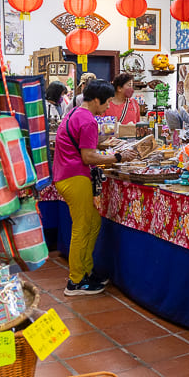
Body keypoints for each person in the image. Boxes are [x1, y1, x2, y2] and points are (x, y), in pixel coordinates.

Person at [53, 79, 137, 296]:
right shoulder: (89, 120)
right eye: (107, 102)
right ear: (97, 99)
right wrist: (117, 156)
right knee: (82, 228)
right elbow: (88, 156)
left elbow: (80, 143)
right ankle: (75, 281)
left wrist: (103, 145)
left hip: (65, 175)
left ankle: (86, 272)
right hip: (75, 178)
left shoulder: (74, 113)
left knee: (92, 223)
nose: (109, 107)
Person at [45, 81, 67, 145]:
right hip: (49, 137)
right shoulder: (45, 105)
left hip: (59, 136)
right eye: (61, 94)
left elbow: (65, 115)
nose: (62, 97)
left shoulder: (62, 103)